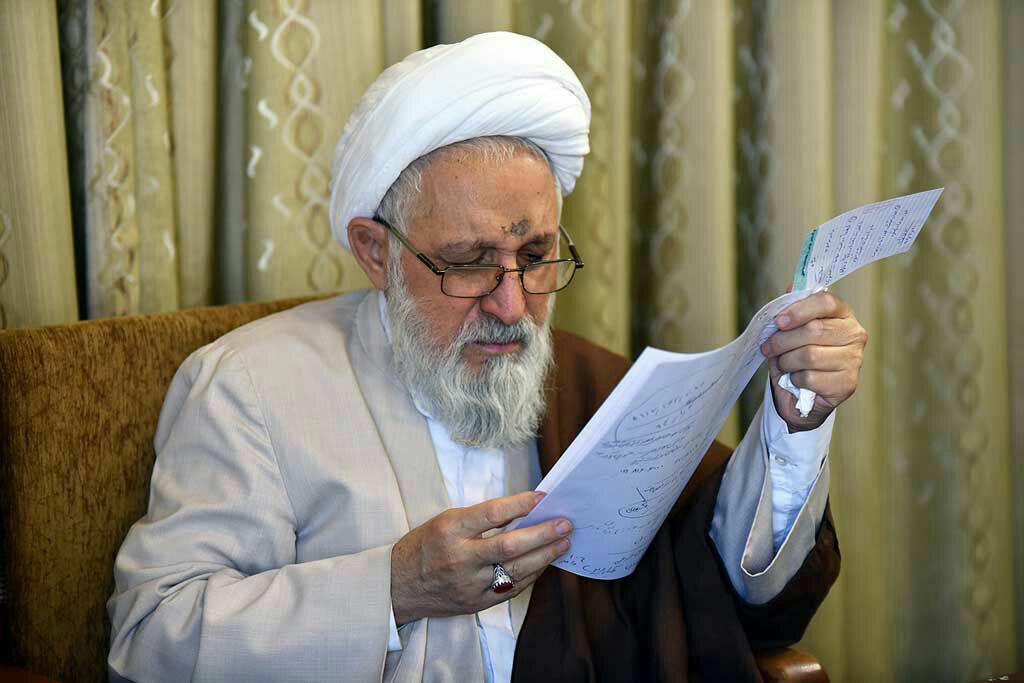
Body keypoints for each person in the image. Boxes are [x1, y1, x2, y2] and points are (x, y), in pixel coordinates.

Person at [108, 32, 865, 682]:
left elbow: (730, 585)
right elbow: (151, 640)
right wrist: (396, 587)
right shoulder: (250, 386)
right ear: (375, 251)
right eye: (468, 263)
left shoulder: (591, 387)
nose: (511, 305)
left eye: (535, 256)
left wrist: (794, 425)